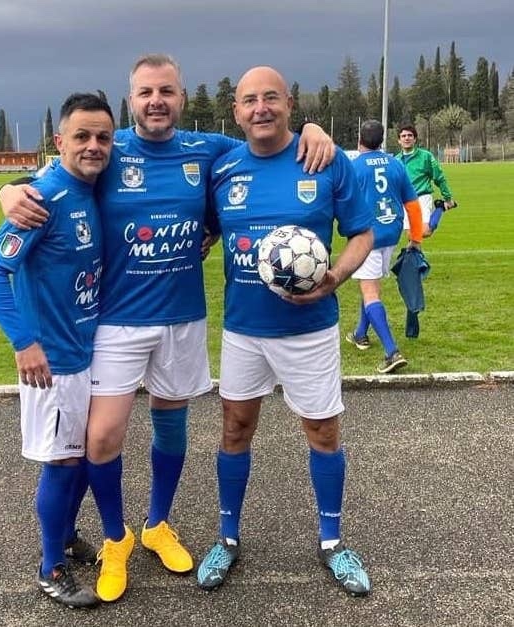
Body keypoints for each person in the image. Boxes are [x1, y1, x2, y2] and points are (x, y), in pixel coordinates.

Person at [0, 53, 335, 603]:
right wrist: (9, 190)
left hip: (182, 319)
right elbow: (57, 177)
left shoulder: (208, 149)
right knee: (101, 437)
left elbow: (264, 138)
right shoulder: (108, 149)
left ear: (182, 97)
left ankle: (157, 524)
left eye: (167, 91)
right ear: (131, 99)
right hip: (117, 322)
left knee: (171, 427)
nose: (157, 101)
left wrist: (313, 129)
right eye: (146, 92)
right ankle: (116, 538)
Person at [196, 66, 374, 597]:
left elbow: (362, 234)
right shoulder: (224, 168)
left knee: (322, 432)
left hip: (309, 330)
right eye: (250, 100)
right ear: (236, 112)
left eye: (271, 97)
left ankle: (332, 543)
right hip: (244, 330)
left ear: (290, 104)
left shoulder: (324, 158)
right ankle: (227, 538)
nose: (261, 108)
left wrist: (335, 277)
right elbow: (208, 226)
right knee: (235, 430)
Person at [0, 92, 115, 609]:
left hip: (87, 351)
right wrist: (24, 342)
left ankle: (66, 535)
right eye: (82, 136)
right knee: (63, 462)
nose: (93, 145)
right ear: (60, 141)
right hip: (53, 362)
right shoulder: (45, 197)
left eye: (103, 137)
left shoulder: (93, 188)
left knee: (81, 457)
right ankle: (50, 566)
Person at [346, 119, 424, 374]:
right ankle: (360, 333)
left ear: (360, 140)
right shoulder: (396, 164)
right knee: (371, 285)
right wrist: (415, 238)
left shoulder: (354, 166)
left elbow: (343, 204)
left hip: (366, 236)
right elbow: (413, 205)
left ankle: (392, 352)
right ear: (382, 141)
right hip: (391, 233)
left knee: (370, 292)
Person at [395, 124, 457, 237]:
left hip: (422, 197)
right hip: (405, 201)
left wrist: (447, 198)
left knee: (424, 232)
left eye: (410, 135)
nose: (407, 138)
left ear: (415, 139)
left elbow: (439, 178)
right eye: (403, 136)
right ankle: (413, 251)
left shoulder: (426, 156)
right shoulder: (396, 161)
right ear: (399, 140)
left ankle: (440, 208)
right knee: (411, 236)